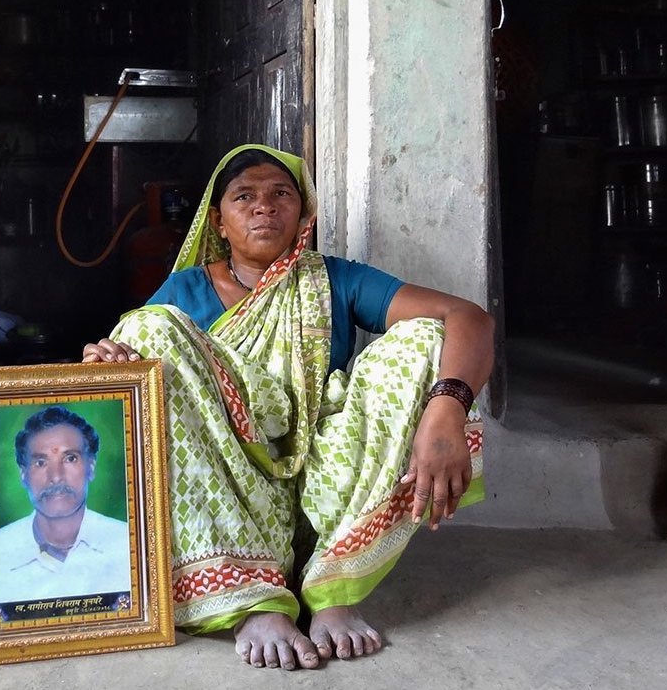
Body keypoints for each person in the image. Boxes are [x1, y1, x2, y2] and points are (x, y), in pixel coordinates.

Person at [83, 144, 495, 669]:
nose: (264, 207)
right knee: (145, 330)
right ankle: (250, 597)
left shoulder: (334, 280)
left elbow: (468, 318)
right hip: (228, 490)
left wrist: (446, 414)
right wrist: (108, 358)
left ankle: (334, 587)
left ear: (303, 213)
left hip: (327, 487)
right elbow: (130, 376)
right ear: (219, 222)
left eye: (281, 194)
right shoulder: (185, 291)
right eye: (244, 197)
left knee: (423, 340)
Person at [0, 406, 132, 606]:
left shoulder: (129, 545)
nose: (56, 477)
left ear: (91, 467)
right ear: (23, 474)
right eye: (40, 462)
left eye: (70, 458)